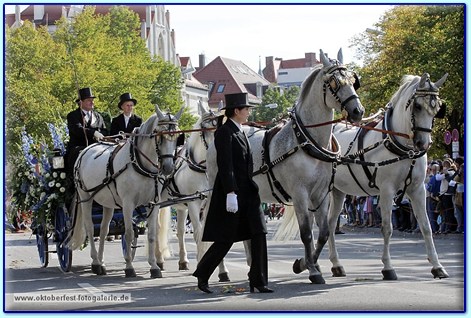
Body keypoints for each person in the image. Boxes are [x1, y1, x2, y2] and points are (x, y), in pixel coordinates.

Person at [192, 92, 273, 294]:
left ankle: (258, 280)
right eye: (246, 109)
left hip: (248, 192)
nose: (248, 112)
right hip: (233, 192)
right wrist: (230, 192)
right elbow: (225, 165)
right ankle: (202, 274)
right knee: (225, 239)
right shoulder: (224, 132)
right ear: (236, 111)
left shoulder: (241, 130)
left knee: (259, 233)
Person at [66, 87, 106, 175]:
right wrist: (93, 133)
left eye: (92, 100)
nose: (92, 102)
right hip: (80, 147)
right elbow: (77, 129)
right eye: (89, 100)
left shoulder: (98, 116)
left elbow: (104, 130)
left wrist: (102, 136)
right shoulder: (73, 115)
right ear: (81, 102)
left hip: (98, 146)